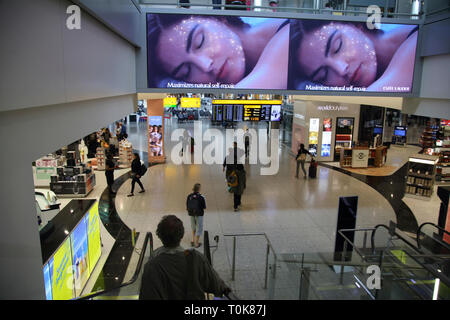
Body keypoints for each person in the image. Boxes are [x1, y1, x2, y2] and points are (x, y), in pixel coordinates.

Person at [147, 14, 290, 89]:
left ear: (219, 19)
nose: (205, 65)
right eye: (187, 71)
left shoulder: (289, 35)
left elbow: (234, 102)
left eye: (200, 42)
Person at [288, 19, 418, 92]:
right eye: (324, 75)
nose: (341, 69)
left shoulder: (416, 41)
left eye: (338, 46)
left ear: (356, 25)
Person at [139, 215, 231, 300]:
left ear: (159, 236)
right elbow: (217, 285)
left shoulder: (151, 266)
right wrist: (226, 292)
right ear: (181, 235)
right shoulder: (196, 259)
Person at [186, 183, 206, 248]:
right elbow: (204, 207)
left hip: (191, 214)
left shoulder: (189, 196)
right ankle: (196, 243)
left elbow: (187, 205)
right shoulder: (201, 197)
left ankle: (193, 240)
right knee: (199, 228)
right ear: (199, 189)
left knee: (193, 227)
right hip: (199, 214)